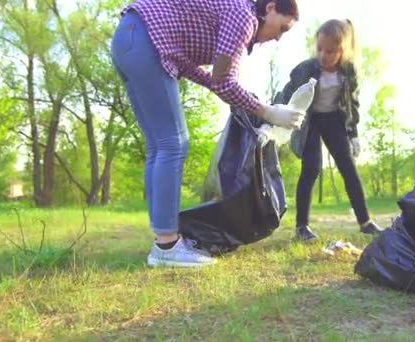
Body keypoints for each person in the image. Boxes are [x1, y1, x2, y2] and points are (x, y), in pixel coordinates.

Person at [110, 0, 304, 267]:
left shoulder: (232, 11)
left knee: (158, 146)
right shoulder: (245, 16)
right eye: (282, 28)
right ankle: (167, 246)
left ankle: (164, 239)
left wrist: (238, 97)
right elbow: (224, 82)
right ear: (270, 8)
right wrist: (267, 112)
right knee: (173, 143)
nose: (278, 38)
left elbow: (197, 69)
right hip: (145, 39)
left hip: (128, 39)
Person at [276, 19, 383, 241]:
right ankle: (301, 227)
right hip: (311, 120)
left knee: (349, 169)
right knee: (311, 168)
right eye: (320, 49)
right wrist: (275, 116)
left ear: (342, 51)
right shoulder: (306, 69)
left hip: (335, 120)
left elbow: (352, 104)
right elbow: (288, 94)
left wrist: (353, 134)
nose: (323, 55)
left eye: (330, 51)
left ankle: (365, 222)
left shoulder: (348, 72)